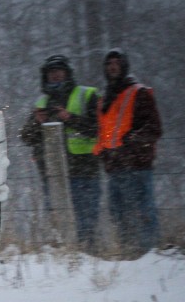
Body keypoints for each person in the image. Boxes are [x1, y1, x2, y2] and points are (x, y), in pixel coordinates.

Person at [19, 54, 101, 251]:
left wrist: (69, 118)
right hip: (52, 174)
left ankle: (87, 251)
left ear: (67, 73)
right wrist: (37, 122)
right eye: (51, 73)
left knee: (85, 218)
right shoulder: (43, 102)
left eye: (59, 72)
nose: (55, 76)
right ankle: (66, 253)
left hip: (84, 170)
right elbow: (26, 137)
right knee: (58, 218)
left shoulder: (87, 94)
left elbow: (98, 129)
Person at [93, 49, 163, 256]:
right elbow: (103, 132)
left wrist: (131, 143)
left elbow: (154, 128)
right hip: (114, 168)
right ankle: (128, 252)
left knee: (143, 213)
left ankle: (149, 255)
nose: (112, 67)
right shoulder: (105, 98)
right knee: (118, 214)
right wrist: (104, 155)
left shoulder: (138, 93)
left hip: (137, 166)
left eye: (116, 63)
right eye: (109, 64)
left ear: (124, 66)